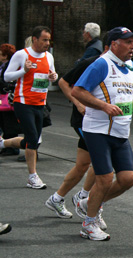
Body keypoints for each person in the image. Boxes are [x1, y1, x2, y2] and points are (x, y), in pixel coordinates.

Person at [72, 27, 133, 241]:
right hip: (98, 130)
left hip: (121, 131)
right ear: (114, 44)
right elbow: (78, 91)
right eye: (128, 42)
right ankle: (88, 224)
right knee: (104, 178)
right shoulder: (101, 63)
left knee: (128, 178)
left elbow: (123, 92)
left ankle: (91, 203)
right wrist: (103, 106)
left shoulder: (129, 65)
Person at [43, 35, 109, 220]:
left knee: (82, 166)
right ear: (109, 46)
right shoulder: (92, 62)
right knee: (102, 164)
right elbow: (64, 82)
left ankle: (58, 198)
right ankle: (85, 199)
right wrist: (77, 103)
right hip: (84, 121)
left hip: (101, 122)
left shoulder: (119, 67)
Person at [0, 26, 58, 189]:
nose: (47, 43)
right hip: (23, 102)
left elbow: (52, 75)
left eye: (49, 40)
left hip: (40, 103)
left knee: (31, 141)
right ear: (35, 39)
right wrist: (24, 70)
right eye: (44, 39)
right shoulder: (22, 55)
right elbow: (6, 76)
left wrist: (53, 76)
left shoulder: (49, 56)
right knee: (32, 138)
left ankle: (3, 143)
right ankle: (33, 177)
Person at [0, 43, 21, 157]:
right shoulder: (3, 66)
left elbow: (8, 81)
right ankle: (7, 146)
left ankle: (12, 148)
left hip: (7, 98)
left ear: (5, 55)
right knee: (5, 122)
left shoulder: (9, 66)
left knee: (9, 123)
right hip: (4, 98)